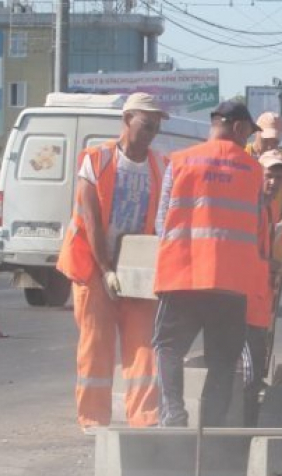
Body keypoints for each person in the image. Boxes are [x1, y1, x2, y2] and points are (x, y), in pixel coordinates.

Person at [56, 92, 169, 430]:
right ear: (126, 120)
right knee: (96, 346)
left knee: (144, 348)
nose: (150, 133)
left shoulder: (161, 165)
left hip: (138, 271)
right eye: (145, 125)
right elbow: (90, 219)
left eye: (155, 127)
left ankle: (144, 418)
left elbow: (163, 221)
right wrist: (106, 270)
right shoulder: (97, 159)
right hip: (93, 267)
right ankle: (94, 419)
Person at [153, 101, 263, 427]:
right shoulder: (253, 169)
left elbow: (162, 222)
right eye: (248, 134)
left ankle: (173, 415)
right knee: (223, 360)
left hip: (182, 276)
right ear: (240, 128)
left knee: (169, 348)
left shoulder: (181, 162)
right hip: (231, 282)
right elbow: (255, 224)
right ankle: (212, 427)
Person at [241, 149, 282, 427]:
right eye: (269, 176)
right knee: (247, 373)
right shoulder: (251, 206)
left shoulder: (270, 208)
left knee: (256, 370)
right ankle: (239, 433)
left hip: (260, 306)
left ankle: (247, 429)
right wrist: (278, 266)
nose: (273, 182)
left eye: (279, 178)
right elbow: (250, 255)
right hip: (243, 305)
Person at [245, 112, 282, 257]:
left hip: (274, 244)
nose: (270, 145)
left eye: (275, 141)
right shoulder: (242, 157)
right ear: (256, 133)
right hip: (247, 238)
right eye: (266, 139)